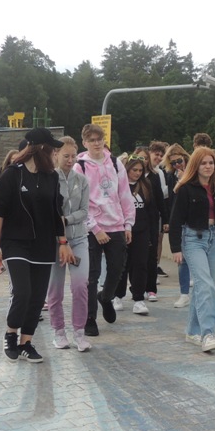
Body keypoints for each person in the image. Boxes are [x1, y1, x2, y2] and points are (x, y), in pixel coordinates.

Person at [0, 128, 73, 363]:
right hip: (15, 243)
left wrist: (63, 242)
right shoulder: (11, 175)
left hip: (43, 244)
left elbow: (56, 213)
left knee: (37, 297)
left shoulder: (51, 177)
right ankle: (10, 334)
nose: (55, 153)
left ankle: (26, 342)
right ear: (41, 148)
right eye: (53, 149)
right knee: (22, 292)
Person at [169, 146, 215, 352]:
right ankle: (208, 333)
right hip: (193, 239)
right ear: (196, 165)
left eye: (211, 163)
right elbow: (175, 220)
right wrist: (176, 248)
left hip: (213, 238)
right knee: (205, 284)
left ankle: (193, 331)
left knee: (206, 286)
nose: (208, 166)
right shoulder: (185, 189)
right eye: (203, 163)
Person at [74, 124, 134, 337]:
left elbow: (125, 195)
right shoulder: (80, 167)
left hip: (116, 225)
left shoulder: (116, 163)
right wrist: (95, 228)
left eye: (99, 139)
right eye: (91, 140)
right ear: (85, 143)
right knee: (91, 275)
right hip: (91, 228)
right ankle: (90, 318)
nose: (96, 143)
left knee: (117, 269)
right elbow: (78, 202)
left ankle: (106, 297)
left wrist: (128, 224)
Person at [45, 136, 91, 351]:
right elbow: (49, 211)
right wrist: (59, 223)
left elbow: (84, 211)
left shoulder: (82, 180)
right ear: (56, 155)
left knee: (80, 285)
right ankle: (59, 331)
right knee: (55, 289)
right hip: (54, 242)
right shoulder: (48, 179)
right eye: (66, 156)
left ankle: (80, 332)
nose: (70, 160)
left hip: (79, 238)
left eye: (73, 156)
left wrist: (66, 219)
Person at [115, 155, 159, 315]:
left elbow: (152, 211)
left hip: (142, 231)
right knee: (121, 265)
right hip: (122, 230)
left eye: (140, 170)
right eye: (134, 170)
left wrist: (153, 235)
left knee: (140, 264)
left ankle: (138, 298)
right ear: (127, 169)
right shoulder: (119, 185)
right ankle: (117, 296)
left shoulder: (146, 185)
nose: (138, 173)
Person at [162, 143, 192, 308]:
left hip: (194, 221)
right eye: (173, 163)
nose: (177, 165)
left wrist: (184, 178)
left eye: (179, 161)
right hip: (179, 221)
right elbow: (171, 198)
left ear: (185, 158)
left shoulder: (194, 172)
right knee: (182, 259)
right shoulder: (171, 176)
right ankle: (184, 294)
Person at [148, 140, 172, 283]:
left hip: (155, 213)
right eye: (156, 154)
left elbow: (162, 196)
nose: (158, 158)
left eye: (161, 156)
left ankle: (154, 269)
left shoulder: (159, 173)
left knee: (157, 241)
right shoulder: (140, 170)